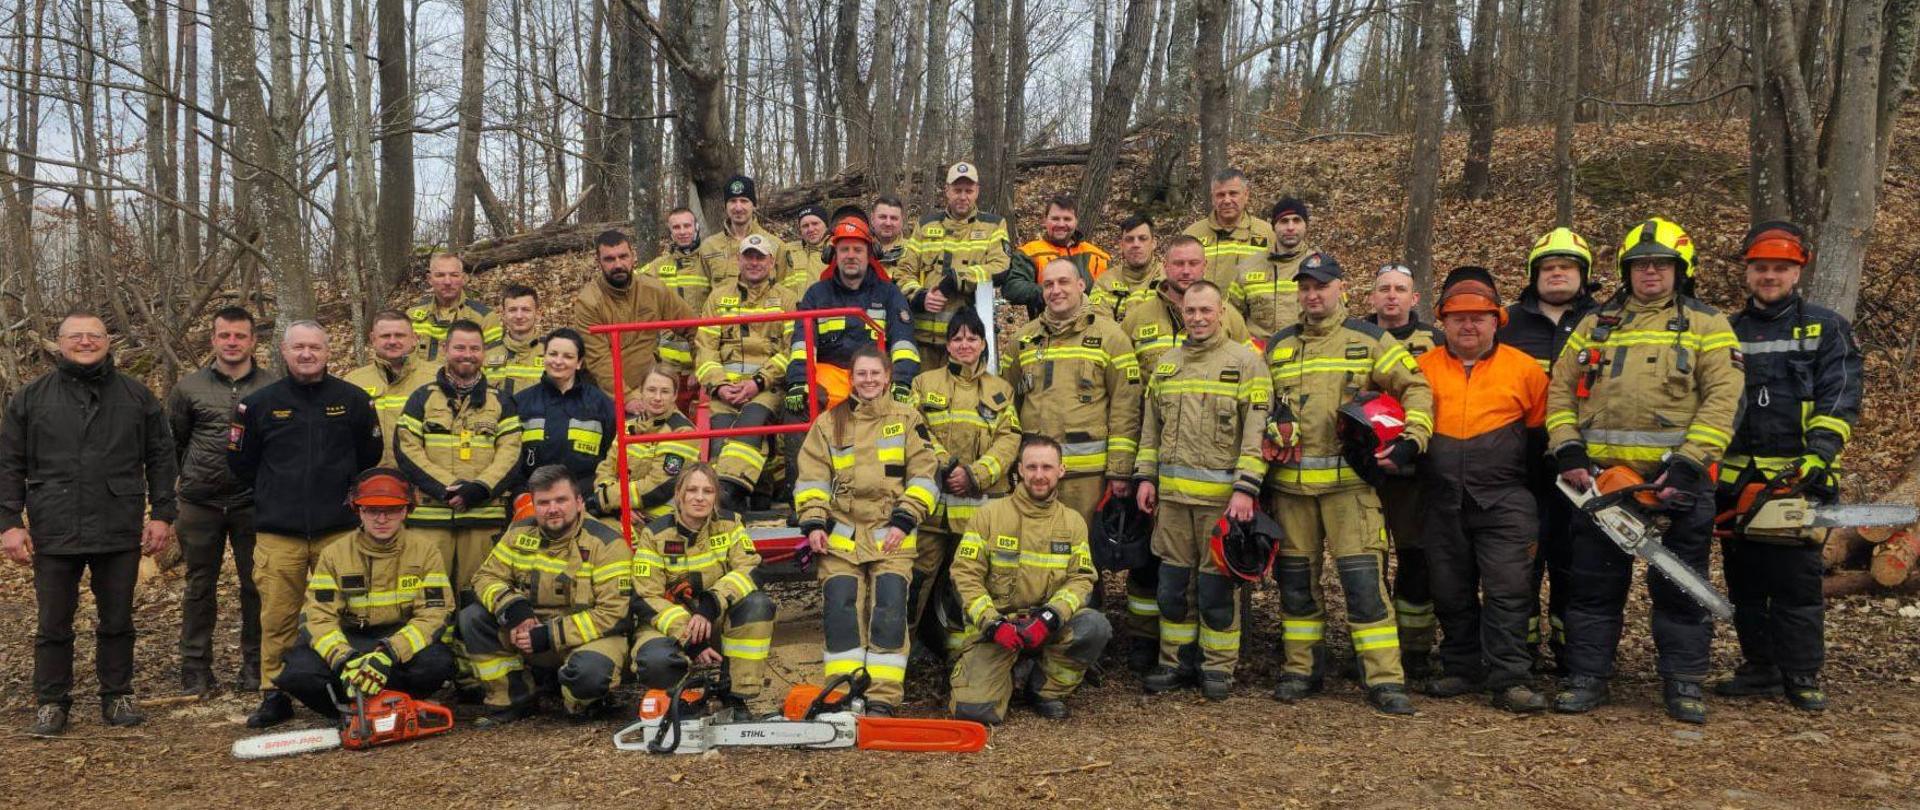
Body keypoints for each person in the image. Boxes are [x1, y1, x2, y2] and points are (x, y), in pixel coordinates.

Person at [1546, 218, 1742, 724]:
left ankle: (1683, 682)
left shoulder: (1708, 324)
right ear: (1624, 270)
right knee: (1591, 587)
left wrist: (1689, 463)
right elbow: (1561, 391)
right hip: (1604, 483)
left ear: (1682, 269)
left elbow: (1724, 401)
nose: (1650, 271)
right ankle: (1588, 675)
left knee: (1680, 587)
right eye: (1640, 264)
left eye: (1660, 263)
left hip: (1675, 483)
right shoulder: (1596, 324)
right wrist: (1568, 450)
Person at [1263, 251, 1432, 715]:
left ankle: (1383, 679)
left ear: (1341, 289)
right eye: (1305, 287)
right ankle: (1301, 669)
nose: (1312, 294)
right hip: (1291, 492)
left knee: (1362, 586)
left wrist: (1411, 441)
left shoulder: (1370, 339)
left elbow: (1416, 388)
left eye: (1321, 285)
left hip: (1350, 490)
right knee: (1296, 586)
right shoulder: (1278, 346)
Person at [0, 310, 177, 735]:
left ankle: (117, 696)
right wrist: (9, 522)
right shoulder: (30, 398)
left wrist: (163, 514)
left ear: (107, 341)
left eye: (93, 335)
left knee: (118, 618)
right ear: (59, 343)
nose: (85, 342)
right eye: (75, 335)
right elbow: (8, 463)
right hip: (53, 523)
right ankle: (51, 702)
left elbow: (161, 457)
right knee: (53, 622)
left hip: (118, 522)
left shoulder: (137, 396)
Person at [1712, 221, 1861, 712]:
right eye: (1761, 268)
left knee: (1796, 582)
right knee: (1746, 580)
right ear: (1748, 272)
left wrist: (1819, 455)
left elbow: (1840, 395)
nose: (1769, 276)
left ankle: (1801, 673)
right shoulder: (1725, 330)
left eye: (1780, 268)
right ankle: (1760, 667)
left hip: (1801, 477)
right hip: (1739, 477)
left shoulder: (1825, 326)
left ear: (1797, 272)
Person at [228, 320, 383, 728]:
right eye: (299, 347)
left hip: (339, 531)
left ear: (329, 351)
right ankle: (274, 693)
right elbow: (241, 463)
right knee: (277, 617)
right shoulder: (259, 404)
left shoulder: (353, 400)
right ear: (284, 350)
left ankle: (346, 686)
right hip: (280, 532)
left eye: (315, 346)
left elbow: (369, 455)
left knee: (349, 614)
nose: (307, 354)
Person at [1415, 267, 1552, 713]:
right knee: (1449, 588)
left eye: (1478, 317)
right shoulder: (1422, 370)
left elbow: (1542, 440)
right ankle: (1460, 666)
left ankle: (1510, 676)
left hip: (1506, 497)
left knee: (1509, 589)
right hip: (1440, 498)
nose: (1468, 325)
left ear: (1497, 320)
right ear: (1443, 321)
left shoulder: (1525, 370)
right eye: (1457, 317)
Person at [1133, 281, 1270, 701]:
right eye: (1190, 311)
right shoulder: (1167, 366)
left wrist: (1246, 490)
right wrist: (1146, 478)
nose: (1197, 318)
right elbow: (1150, 430)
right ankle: (1175, 663)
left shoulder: (1247, 364)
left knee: (1215, 592)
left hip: (1221, 504)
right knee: (1172, 589)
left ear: (1221, 310)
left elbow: (1256, 435)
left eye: (1205, 310)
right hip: (1172, 505)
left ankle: (1218, 668)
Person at [792, 348, 939, 714]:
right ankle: (843, 696)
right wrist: (813, 522)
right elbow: (812, 478)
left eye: (875, 373)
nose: (869, 380)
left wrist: (906, 519)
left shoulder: (907, 419)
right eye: (862, 374)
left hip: (892, 534)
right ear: (852, 378)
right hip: (841, 539)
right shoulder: (829, 424)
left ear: (888, 377)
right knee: (841, 607)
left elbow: (925, 475)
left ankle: (882, 700)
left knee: (889, 608)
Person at [948, 435, 1110, 723]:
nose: (1039, 475)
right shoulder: (988, 516)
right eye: (1032, 467)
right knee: (974, 712)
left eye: (1047, 467)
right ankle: (1006, 673)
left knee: (1094, 627)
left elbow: (1081, 579)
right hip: (999, 631)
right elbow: (965, 575)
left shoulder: (1072, 523)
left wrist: (1050, 617)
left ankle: (1045, 689)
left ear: (1061, 470)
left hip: (1046, 627)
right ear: (1019, 470)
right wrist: (992, 623)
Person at [459, 465, 634, 726]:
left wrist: (548, 635)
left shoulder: (608, 544)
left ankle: (581, 701)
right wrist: (515, 610)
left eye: (561, 500)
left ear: (578, 502)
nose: (552, 509)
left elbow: (613, 614)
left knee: (590, 676)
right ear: (534, 504)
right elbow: (485, 577)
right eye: (543, 502)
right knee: (473, 617)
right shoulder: (518, 532)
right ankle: (514, 699)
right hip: (529, 633)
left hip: (587, 638)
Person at [274, 469, 456, 719]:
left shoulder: (425, 551)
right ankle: (348, 710)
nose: (381, 519)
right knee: (298, 672)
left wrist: (389, 654)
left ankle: (394, 706)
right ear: (358, 510)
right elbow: (318, 616)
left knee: (438, 663)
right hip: (350, 640)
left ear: (405, 510)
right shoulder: (334, 554)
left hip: (398, 639)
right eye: (372, 510)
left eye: (391, 510)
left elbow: (435, 613)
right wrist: (343, 659)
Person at [1498, 227, 1600, 669]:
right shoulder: (1507, 323)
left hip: (1583, 466)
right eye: (1549, 267)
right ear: (1533, 274)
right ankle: (1520, 651)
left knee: (1575, 565)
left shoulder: (1606, 322)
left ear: (1584, 274)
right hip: (1518, 465)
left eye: (1567, 267)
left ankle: (1571, 651)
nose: (1557, 274)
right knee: (1519, 564)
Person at [167, 306, 278, 696]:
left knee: (256, 584)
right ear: (213, 339)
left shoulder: (272, 386)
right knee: (200, 585)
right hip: (200, 502)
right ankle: (195, 667)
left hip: (254, 501)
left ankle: (255, 664)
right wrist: (186, 481)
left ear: (253, 340)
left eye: (240, 336)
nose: (232, 343)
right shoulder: (188, 388)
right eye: (225, 336)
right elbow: (175, 441)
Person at [910, 308, 1022, 659]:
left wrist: (975, 474)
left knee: (973, 583)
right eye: (957, 338)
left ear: (983, 342)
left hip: (979, 513)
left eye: (972, 337)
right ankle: (900, 653)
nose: (964, 345)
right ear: (946, 345)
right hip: (932, 511)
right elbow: (916, 430)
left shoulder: (1001, 390)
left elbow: (1009, 441)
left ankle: (972, 655)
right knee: (915, 583)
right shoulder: (923, 383)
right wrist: (945, 467)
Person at [394, 319, 525, 603]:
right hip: (431, 517)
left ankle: (472, 648)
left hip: (483, 516)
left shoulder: (501, 402)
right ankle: (434, 647)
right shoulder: (422, 398)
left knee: (478, 593)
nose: (467, 354)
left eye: (474, 348)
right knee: (429, 595)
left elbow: (511, 453)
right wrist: (449, 487)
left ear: (483, 353)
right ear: (445, 349)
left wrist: (479, 488)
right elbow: (406, 448)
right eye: (460, 347)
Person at [630, 463, 778, 711]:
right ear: (679, 494)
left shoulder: (731, 525)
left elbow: (750, 569)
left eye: (708, 491)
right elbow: (646, 595)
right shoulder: (655, 534)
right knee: (655, 661)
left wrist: (711, 604)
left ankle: (735, 697)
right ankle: (680, 703)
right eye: (692, 490)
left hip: (714, 618)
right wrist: (690, 637)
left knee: (757, 605)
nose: (699, 497)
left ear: (716, 497)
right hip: (669, 625)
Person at [1006, 258, 1142, 526]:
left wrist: (1119, 471)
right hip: (1036, 475)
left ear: (1081, 285)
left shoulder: (1111, 338)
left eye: (1063, 282)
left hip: (1087, 478)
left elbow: (1126, 408)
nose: (1055, 290)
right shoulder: (1022, 339)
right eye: (1048, 284)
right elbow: (1008, 404)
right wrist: (1014, 461)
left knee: (1083, 554)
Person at [1364, 263, 1445, 682]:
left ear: (1415, 298)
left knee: (1415, 558)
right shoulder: (1357, 337)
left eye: (1400, 290)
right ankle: (1373, 648)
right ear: (1372, 297)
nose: (1391, 296)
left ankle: (1414, 648)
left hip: (1415, 468)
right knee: (1368, 562)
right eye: (1384, 289)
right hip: (1368, 470)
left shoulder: (1435, 340)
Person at [697, 233, 800, 511]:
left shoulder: (788, 300)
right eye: (748, 257)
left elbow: (793, 351)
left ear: (771, 263)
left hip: (768, 389)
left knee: (749, 428)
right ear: (739, 260)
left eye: (760, 257)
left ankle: (725, 499)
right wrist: (719, 386)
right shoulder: (717, 299)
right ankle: (756, 495)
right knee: (720, 443)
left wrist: (758, 382)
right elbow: (705, 348)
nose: (754, 263)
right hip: (725, 391)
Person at [784, 216, 919, 413]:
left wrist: (902, 381)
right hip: (830, 378)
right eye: (844, 249)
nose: (850, 255)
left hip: (874, 377)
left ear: (869, 254)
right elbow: (802, 343)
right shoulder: (816, 295)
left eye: (858, 250)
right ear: (833, 254)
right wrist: (798, 381)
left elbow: (903, 341)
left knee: (905, 410)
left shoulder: (889, 293)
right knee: (798, 407)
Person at [897, 162, 1016, 367]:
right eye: (957, 190)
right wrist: (919, 296)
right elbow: (903, 272)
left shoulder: (993, 225)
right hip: (923, 340)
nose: (963, 196)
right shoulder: (925, 225)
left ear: (977, 191)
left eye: (968, 191)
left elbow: (1000, 267)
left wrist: (956, 280)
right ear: (947, 191)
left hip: (966, 341)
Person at [573, 229, 698, 400]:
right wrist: (628, 398)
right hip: (606, 397)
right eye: (609, 259)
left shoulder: (654, 290)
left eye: (623, 256)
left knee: (682, 427)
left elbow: (694, 327)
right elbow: (599, 360)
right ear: (599, 262)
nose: (618, 264)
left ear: (633, 257)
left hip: (652, 389)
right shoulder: (589, 302)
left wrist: (701, 367)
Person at [1121, 235, 1253, 371]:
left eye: (1193, 263)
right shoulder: (1136, 319)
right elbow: (1123, 380)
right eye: (1178, 264)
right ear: (1165, 266)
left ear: (1205, 266)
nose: (1186, 271)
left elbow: (1249, 368)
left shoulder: (1229, 317)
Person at [512, 328, 616, 494]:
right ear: (544, 356)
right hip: (534, 499)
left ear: (579, 363)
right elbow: (510, 458)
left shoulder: (600, 404)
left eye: (568, 356)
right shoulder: (521, 403)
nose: (558, 361)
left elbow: (613, 456)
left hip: (586, 498)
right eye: (553, 354)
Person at [591, 368, 701, 521]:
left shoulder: (682, 432)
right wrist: (616, 506)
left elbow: (658, 487)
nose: (657, 397)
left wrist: (606, 500)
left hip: (660, 520)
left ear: (675, 395)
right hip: (621, 512)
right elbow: (607, 468)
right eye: (651, 390)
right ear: (641, 392)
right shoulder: (628, 427)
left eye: (665, 391)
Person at [344, 310, 440, 468]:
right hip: (372, 482)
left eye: (400, 335)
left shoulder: (438, 378)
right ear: (373, 340)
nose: (392, 341)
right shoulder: (354, 381)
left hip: (425, 483)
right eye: (385, 336)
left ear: (414, 339)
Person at [1226, 197, 1312, 338]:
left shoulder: (1320, 267)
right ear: (1273, 226)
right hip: (1258, 354)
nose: (1290, 227)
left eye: (1296, 220)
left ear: (1305, 225)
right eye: (1284, 221)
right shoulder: (1247, 269)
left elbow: (1336, 316)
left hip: (1305, 353)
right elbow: (1231, 315)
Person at [1183, 168, 1275, 288]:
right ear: (1212, 198)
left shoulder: (1268, 234)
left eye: (1233, 193)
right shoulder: (1192, 235)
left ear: (1246, 195)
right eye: (1220, 195)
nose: (1227, 200)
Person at [408, 253, 503, 365]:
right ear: (429, 279)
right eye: (440, 275)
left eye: (454, 275)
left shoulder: (485, 318)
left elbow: (494, 368)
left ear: (463, 278)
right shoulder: (411, 316)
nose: (447, 282)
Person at [697, 175, 786, 291]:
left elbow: (787, 294)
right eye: (733, 201)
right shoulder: (709, 246)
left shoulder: (775, 245)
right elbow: (701, 294)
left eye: (744, 201)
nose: (738, 207)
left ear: (754, 205)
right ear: (725, 206)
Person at [1019, 194, 1110, 285]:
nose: (1061, 224)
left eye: (1067, 219)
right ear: (1045, 220)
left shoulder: (1099, 257)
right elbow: (1015, 287)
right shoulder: (1028, 254)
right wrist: (1055, 293)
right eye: (1055, 219)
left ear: (1076, 221)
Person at [1090, 214, 1163, 324]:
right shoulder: (1105, 282)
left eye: (1142, 239)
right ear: (1121, 245)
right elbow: (1099, 326)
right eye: (1129, 239)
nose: (1136, 244)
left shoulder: (1168, 277)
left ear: (1153, 243)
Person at [493, 285, 546, 395]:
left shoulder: (552, 351)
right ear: (503, 314)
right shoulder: (487, 353)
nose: (519, 316)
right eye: (512, 310)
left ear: (538, 314)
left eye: (526, 310)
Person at [778, 205, 831, 292]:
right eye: (805, 226)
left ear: (826, 225)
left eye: (815, 223)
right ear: (800, 230)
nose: (810, 229)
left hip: (830, 305)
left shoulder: (838, 250)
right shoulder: (787, 250)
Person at [870, 195, 910, 271]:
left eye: (894, 218)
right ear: (872, 219)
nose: (888, 223)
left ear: (902, 221)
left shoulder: (913, 251)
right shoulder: (860, 248)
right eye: (882, 217)